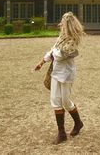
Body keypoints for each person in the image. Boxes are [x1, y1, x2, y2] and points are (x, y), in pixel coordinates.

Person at [34, 11, 85, 144]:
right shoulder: (61, 37)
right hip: (56, 72)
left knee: (66, 101)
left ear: (67, 24)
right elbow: (53, 51)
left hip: (66, 73)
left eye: (63, 22)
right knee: (55, 100)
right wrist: (41, 62)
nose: (60, 24)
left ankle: (78, 123)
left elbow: (59, 55)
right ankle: (61, 133)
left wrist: (54, 53)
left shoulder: (73, 39)